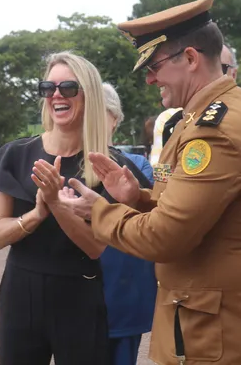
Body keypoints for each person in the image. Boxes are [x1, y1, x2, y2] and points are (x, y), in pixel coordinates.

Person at [58, 0, 241, 364]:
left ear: (190, 59)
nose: (149, 77)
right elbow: (201, 212)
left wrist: (100, 211)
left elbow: (165, 237)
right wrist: (137, 199)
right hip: (220, 327)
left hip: (223, 337)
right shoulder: (204, 117)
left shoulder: (215, 131)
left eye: (155, 65)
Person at [0, 51, 151, 365]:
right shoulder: (17, 154)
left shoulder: (109, 167)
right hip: (20, 293)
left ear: (89, 96)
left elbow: (96, 247)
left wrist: (57, 205)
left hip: (80, 294)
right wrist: (37, 212)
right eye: (48, 88)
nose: (56, 95)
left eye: (67, 88)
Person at [100, 82, 157, 365]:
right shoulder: (61, 162)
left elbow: (155, 213)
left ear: (115, 119)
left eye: (101, 112)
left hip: (125, 290)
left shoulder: (136, 165)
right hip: (75, 291)